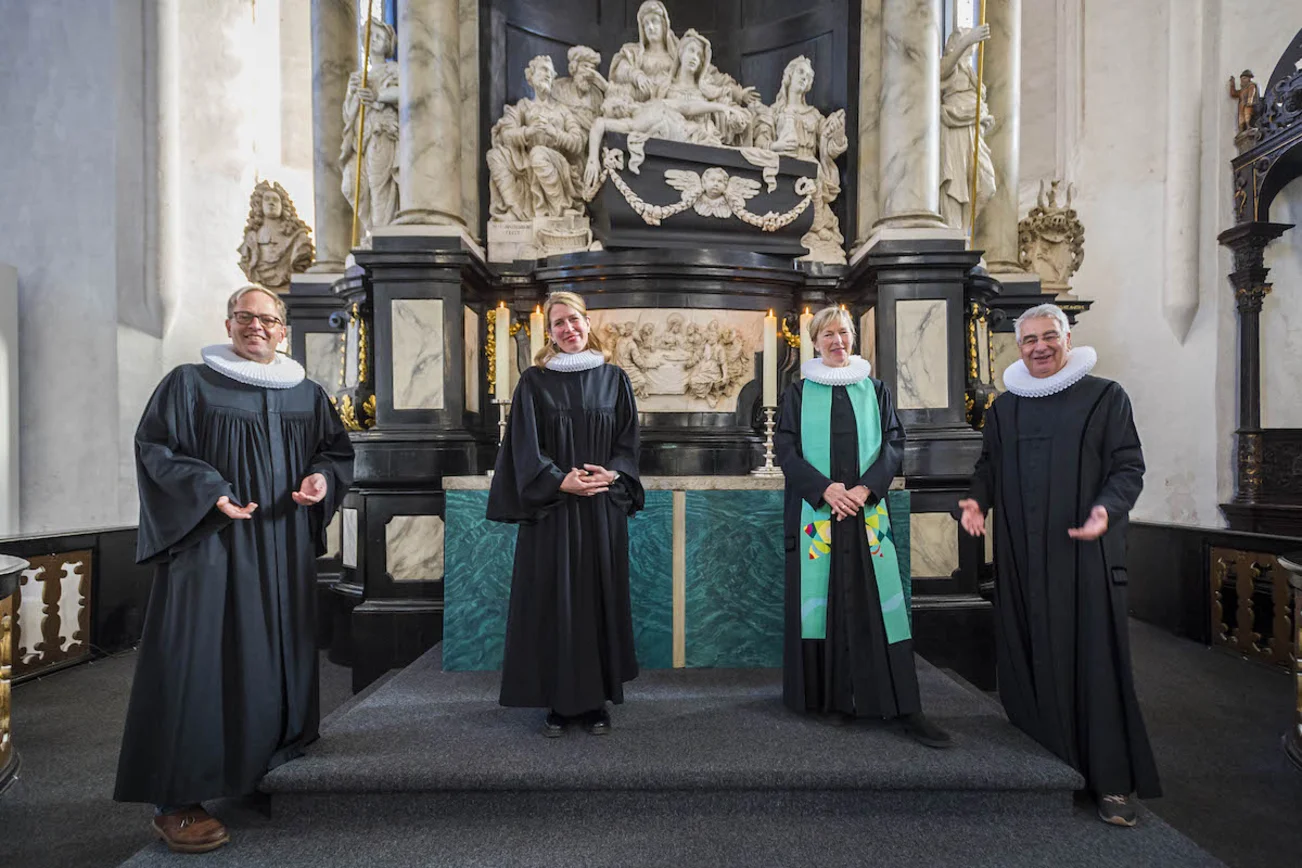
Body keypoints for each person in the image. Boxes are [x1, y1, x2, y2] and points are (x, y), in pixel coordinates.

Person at [114, 285, 354, 852]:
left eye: (267, 320)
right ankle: (176, 800)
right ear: (228, 325)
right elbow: (156, 449)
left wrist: (321, 479)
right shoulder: (190, 383)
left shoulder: (306, 392)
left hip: (282, 543)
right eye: (245, 318)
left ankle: (264, 763)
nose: (256, 327)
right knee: (198, 659)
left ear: (282, 329)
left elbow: (335, 450)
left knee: (275, 652)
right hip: (212, 546)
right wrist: (211, 490)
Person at [958, 303, 1160, 827]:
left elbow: (1127, 466)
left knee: (1093, 661)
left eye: (1050, 337)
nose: (1039, 347)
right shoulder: (1005, 408)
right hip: (1022, 558)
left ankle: (1111, 783)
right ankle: (1044, 769)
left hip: (1083, 556)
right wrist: (977, 500)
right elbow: (989, 467)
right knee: (1029, 654)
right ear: (1017, 347)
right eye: (1029, 340)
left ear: (1068, 340)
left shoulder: (1104, 397)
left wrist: (1106, 510)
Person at [774, 306, 950, 748]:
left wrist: (865, 490)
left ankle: (901, 703)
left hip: (865, 515)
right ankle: (832, 699)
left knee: (879, 607)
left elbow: (894, 444)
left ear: (854, 338)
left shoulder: (876, 390)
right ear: (814, 342)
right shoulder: (798, 393)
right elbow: (787, 449)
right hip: (820, 512)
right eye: (828, 334)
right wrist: (825, 490)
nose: (838, 341)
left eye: (844, 333)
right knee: (827, 603)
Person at [487, 291, 643, 737]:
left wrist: (612, 474)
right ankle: (557, 702)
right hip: (553, 511)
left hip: (600, 509)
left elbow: (628, 441)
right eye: (558, 323)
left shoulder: (615, 379)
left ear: (587, 322)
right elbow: (523, 447)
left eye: (574, 320)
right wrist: (559, 479)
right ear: (549, 333)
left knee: (596, 598)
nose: (568, 329)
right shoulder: (534, 382)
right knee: (554, 601)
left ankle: (595, 702)